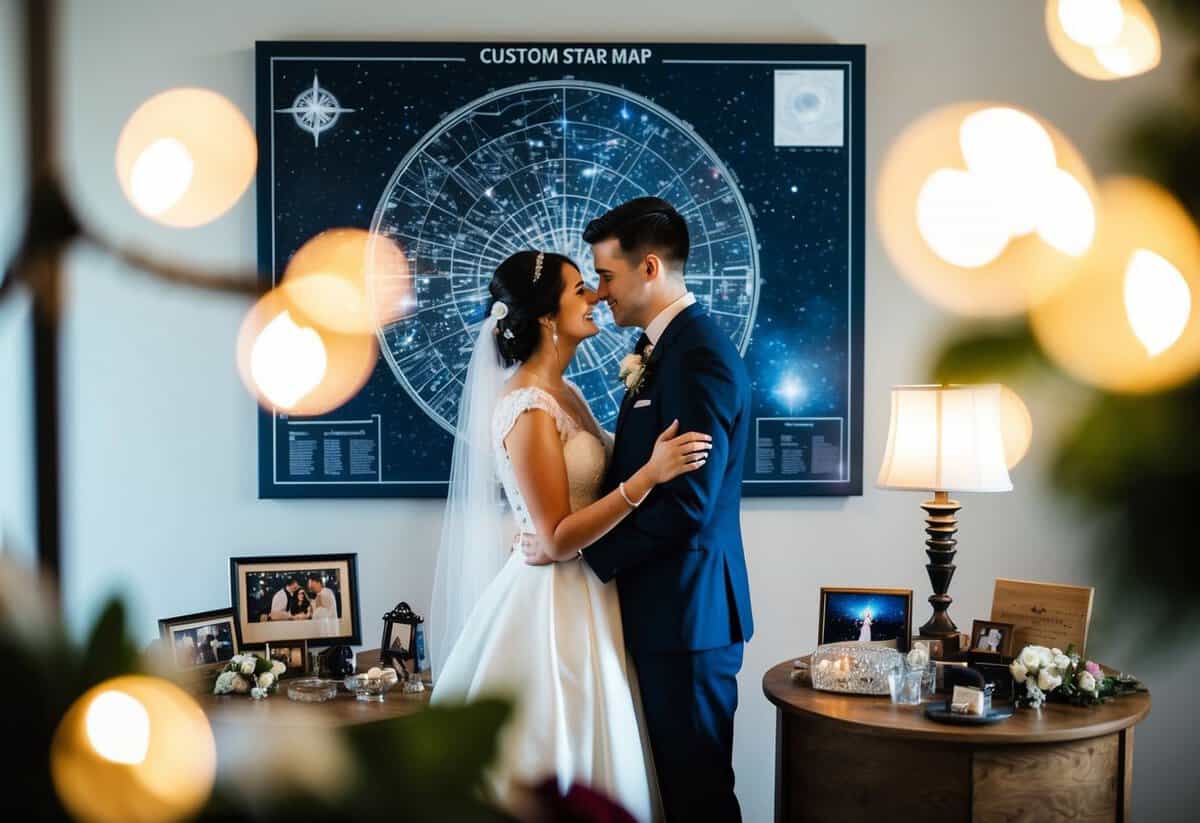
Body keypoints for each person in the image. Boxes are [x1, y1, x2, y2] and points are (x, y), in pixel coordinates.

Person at [430, 247, 711, 820]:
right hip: (551, 604)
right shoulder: (526, 405)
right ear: (545, 317)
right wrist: (648, 477)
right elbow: (557, 538)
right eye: (580, 289)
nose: (596, 298)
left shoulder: (568, 394)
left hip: (595, 591)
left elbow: (557, 512)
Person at [527, 198, 755, 821]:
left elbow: (690, 505)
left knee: (699, 794)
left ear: (648, 267)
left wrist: (575, 549)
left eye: (606, 276)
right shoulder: (667, 351)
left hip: (687, 617)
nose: (600, 294)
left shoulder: (698, 356)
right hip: (660, 613)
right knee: (671, 790)